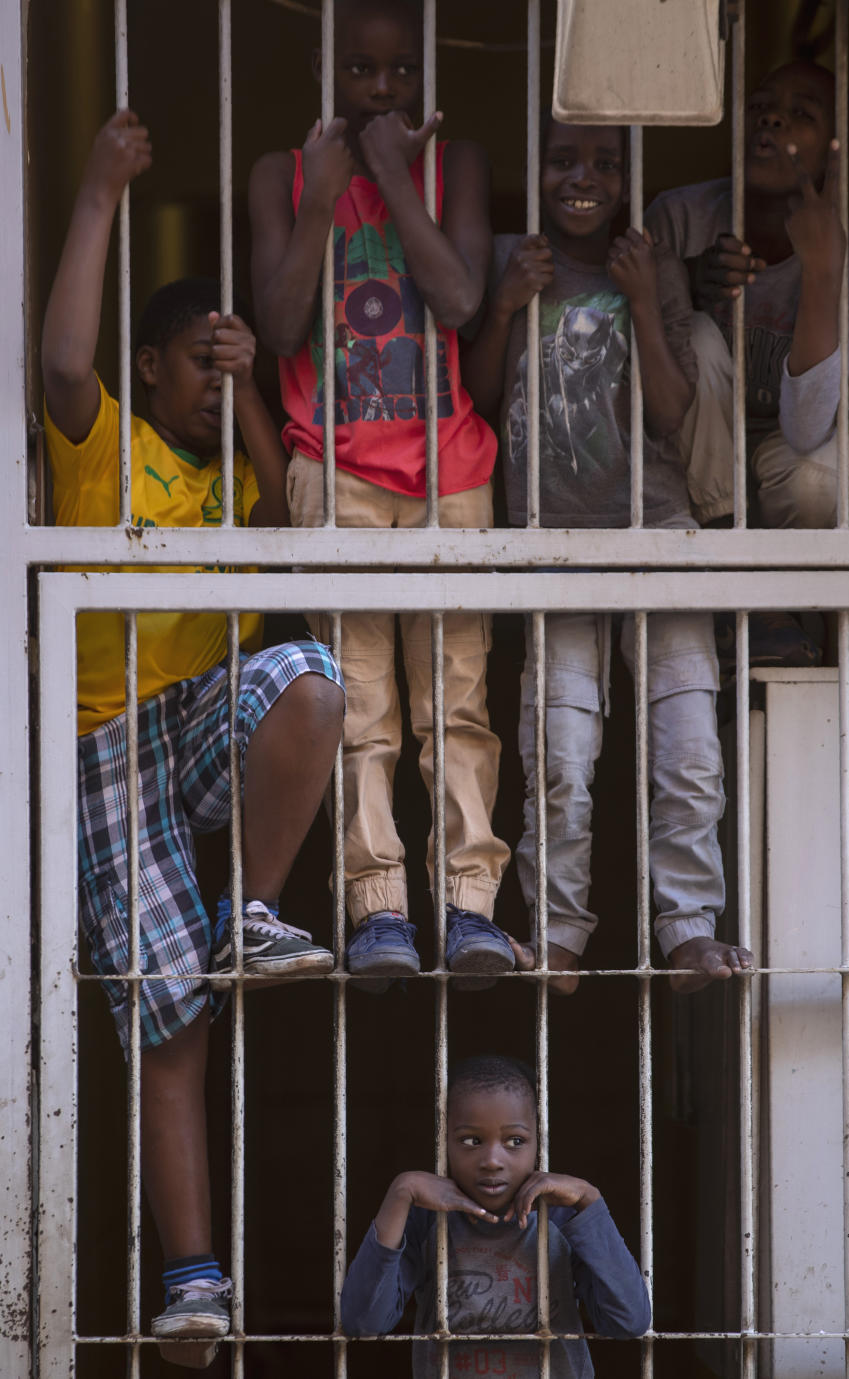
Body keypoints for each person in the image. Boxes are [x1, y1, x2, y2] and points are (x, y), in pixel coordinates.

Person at [42, 109, 346, 1364]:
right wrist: (101, 194)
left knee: (313, 678)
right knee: (173, 1026)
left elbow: (288, 516)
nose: (207, 389)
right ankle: (192, 1280)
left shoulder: (231, 480)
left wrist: (257, 383)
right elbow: (62, 363)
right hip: (110, 740)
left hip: (197, 730)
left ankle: (255, 911)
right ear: (153, 369)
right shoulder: (107, 442)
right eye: (196, 369)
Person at [249, 0, 512, 992]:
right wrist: (322, 197)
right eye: (360, 72)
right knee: (361, 703)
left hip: (452, 464)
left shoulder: (462, 164)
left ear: (428, 80)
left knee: (458, 697)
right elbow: (279, 327)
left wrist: (396, 177)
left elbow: (458, 299)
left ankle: (473, 905)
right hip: (338, 463)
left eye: (400, 75)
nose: (381, 91)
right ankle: (379, 909)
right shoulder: (280, 172)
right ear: (325, 73)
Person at [461, 117, 753, 994]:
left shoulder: (648, 264)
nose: (581, 178)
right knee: (557, 753)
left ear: (630, 182)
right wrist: (507, 303)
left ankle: (689, 928)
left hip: (657, 532)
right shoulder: (511, 259)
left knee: (688, 748)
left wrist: (639, 297)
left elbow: (669, 410)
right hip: (550, 543)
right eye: (561, 161)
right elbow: (473, 397)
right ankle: (556, 934)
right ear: (534, 171)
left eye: (603, 164)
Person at [646, 59, 849, 663]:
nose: (771, 116)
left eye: (800, 113)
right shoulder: (681, 218)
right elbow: (648, 378)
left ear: (835, 155)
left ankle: (784, 608)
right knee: (697, 334)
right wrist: (693, 288)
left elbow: (809, 430)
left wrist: (821, 270)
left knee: (820, 480)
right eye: (761, 104)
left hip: (789, 453)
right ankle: (742, 597)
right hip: (694, 466)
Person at [340, 1055, 650, 1376]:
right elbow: (363, 1322)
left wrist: (589, 1199)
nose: (491, 1160)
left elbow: (629, 1321)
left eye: (515, 1141)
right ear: (443, 1142)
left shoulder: (560, 1218)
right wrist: (400, 1192)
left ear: (538, 1142)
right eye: (471, 1141)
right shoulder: (429, 1221)